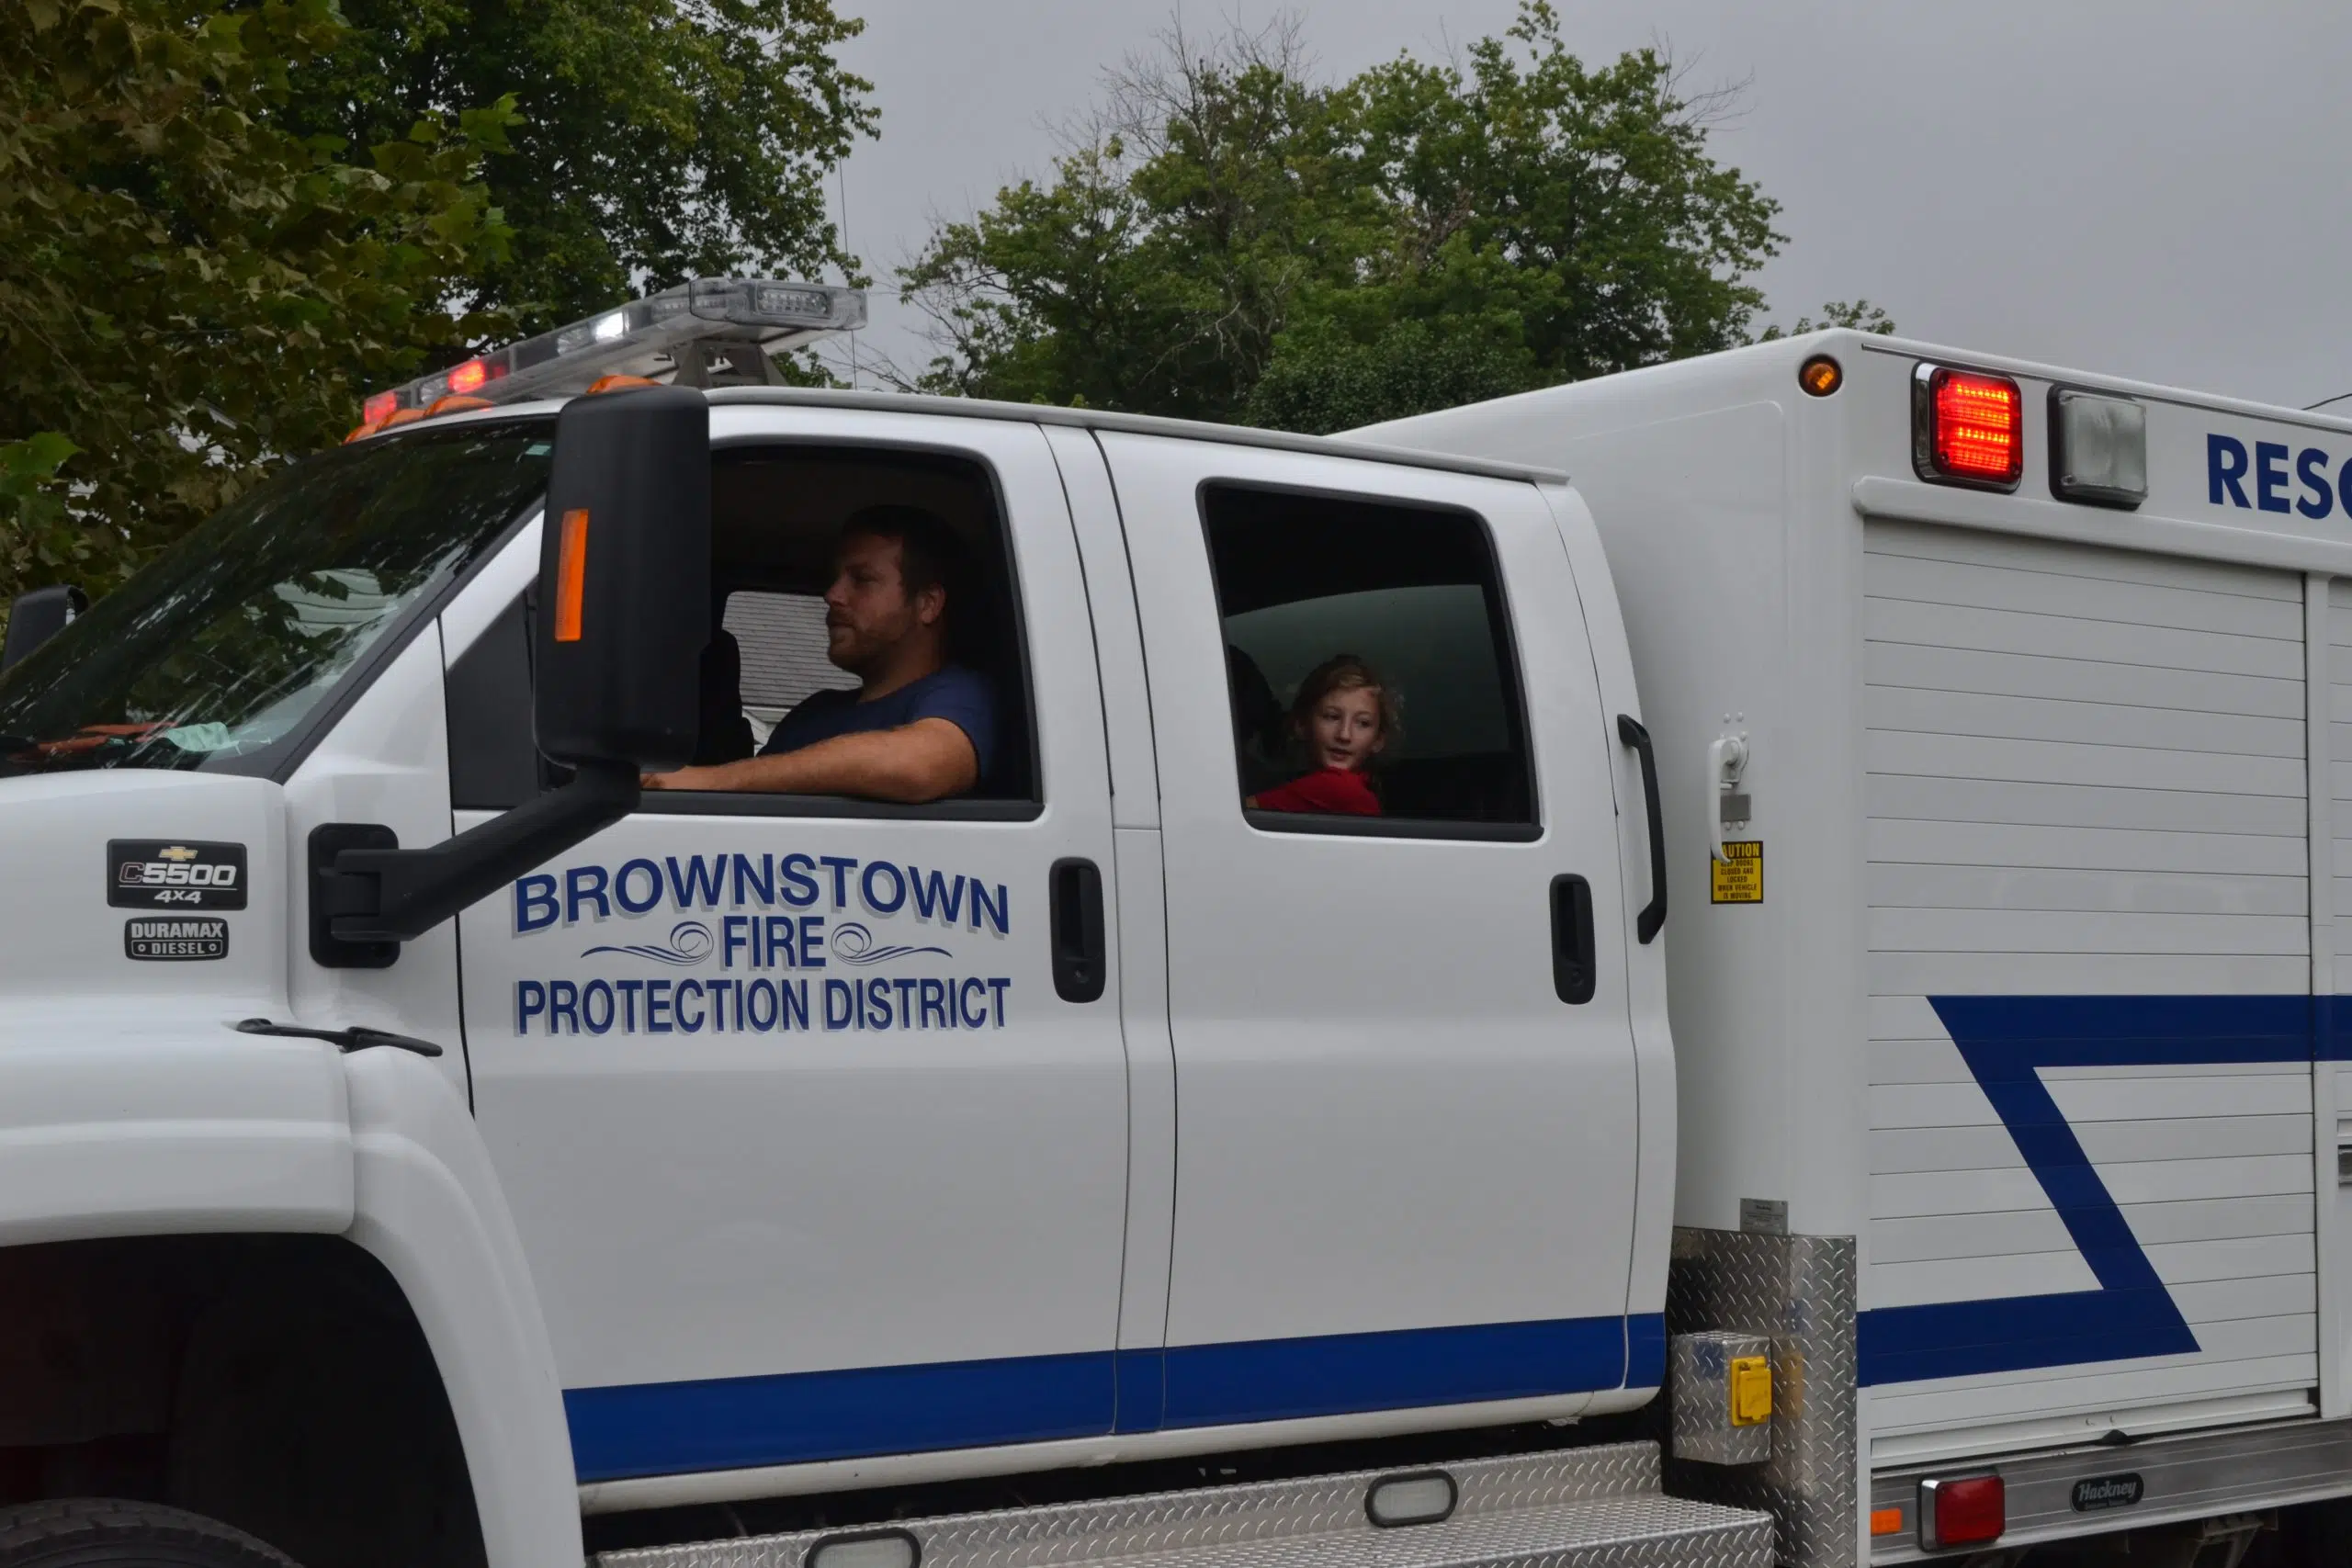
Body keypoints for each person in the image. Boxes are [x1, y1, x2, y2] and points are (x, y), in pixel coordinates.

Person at [644, 505, 996, 802]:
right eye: (836, 579)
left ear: (928, 604)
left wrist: (707, 780)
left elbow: (920, 766)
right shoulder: (813, 713)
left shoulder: (963, 695)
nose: (832, 594)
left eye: (861, 579)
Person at [1249, 654, 1396, 817]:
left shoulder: (1337, 787)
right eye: (1332, 717)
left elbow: (1233, 810)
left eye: (1363, 723)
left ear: (1378, 740)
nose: (1344, 735)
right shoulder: (1358, 785)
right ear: (1302, 724)